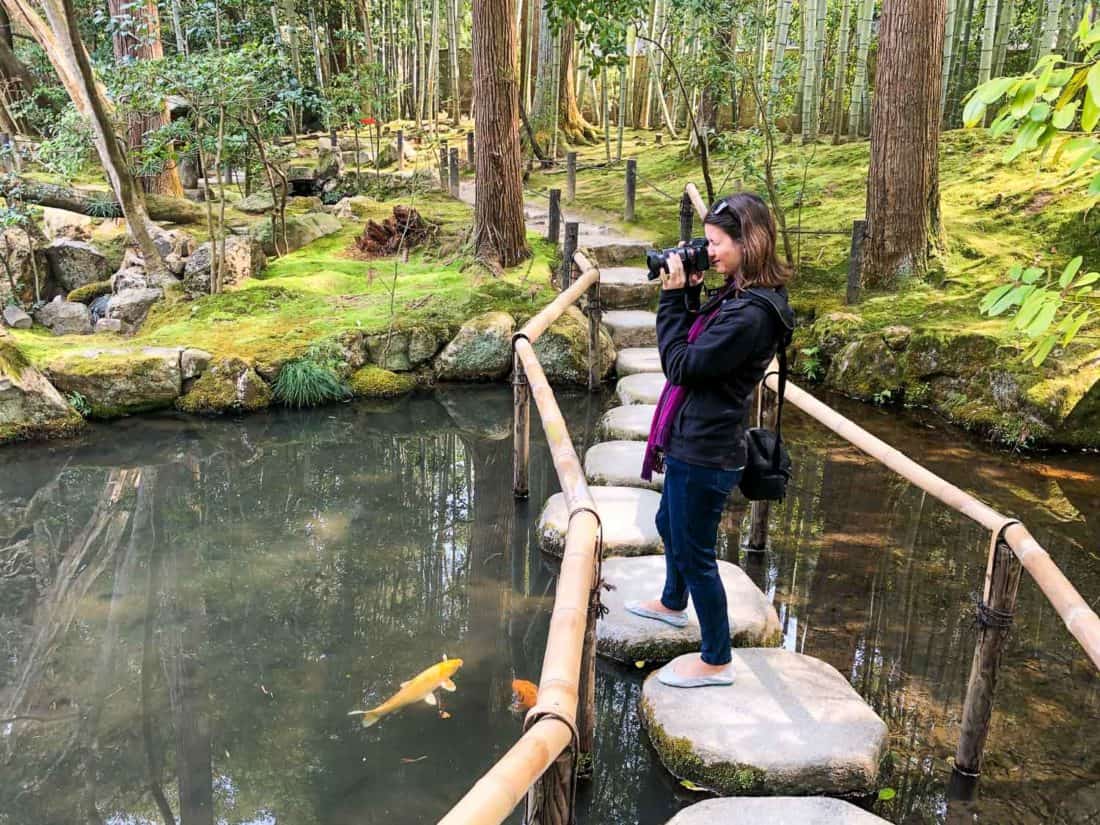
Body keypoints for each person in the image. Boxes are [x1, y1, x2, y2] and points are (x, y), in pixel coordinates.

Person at [628, 192, 794, 688]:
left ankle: (717, 658)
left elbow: (682, 364)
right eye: (708, 241)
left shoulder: (751, 315)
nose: (710, 250)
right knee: (668, 522)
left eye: (718, 243)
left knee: (697, 552)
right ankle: (673, 602)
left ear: (750, 243)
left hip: (707, 450)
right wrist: (693, 290)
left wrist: (671, 297)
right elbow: (702, 347)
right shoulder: (740, 294)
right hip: (694, 438)